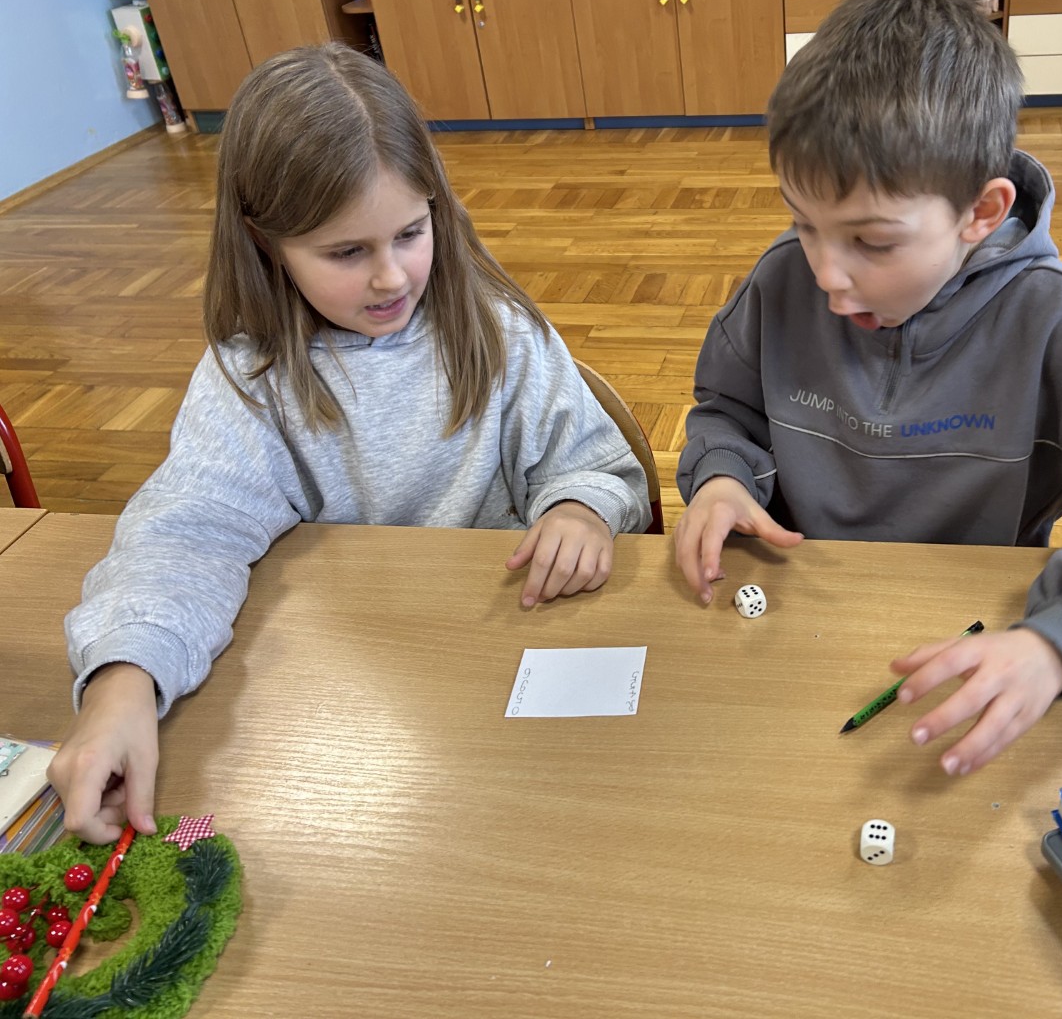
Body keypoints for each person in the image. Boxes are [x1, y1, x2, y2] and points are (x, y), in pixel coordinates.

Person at [51, 43, 650, 843]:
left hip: (508, 662)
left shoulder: (501, 331)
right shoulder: (251, 379)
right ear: (266, 243)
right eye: (346, 252)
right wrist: (124, 678)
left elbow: (597, 466)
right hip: (342, 698)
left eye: (410, 233)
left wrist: (580, 507)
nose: (391, 277)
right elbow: (188, 533)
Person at [674, 0, 1062, 778]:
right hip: (797, 622)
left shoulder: (1058, 321)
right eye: (803, 223)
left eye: (873, 242)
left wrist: (1060, 642)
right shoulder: (781, 281)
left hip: (976, 645)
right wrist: (721, 478)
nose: (827, 274)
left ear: (981, 213)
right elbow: (725, 411)